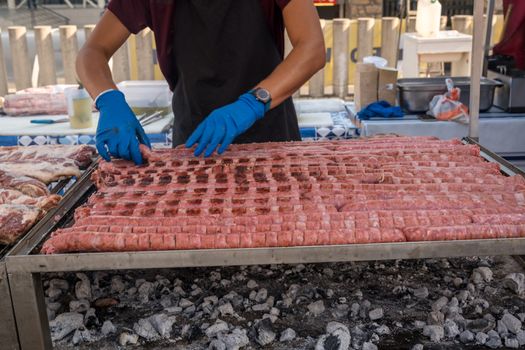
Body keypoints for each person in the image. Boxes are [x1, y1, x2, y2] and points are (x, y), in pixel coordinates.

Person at [77, 0, 325, 164]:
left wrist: (253, 103)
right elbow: (93, 51)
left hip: (270, 132)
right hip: (195, 140)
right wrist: (108, 99)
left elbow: (312, 48)